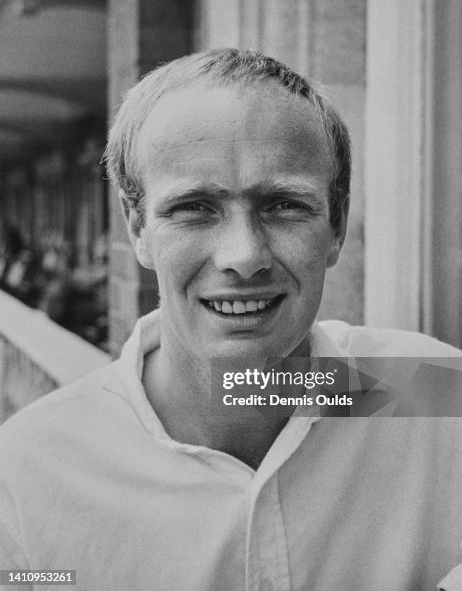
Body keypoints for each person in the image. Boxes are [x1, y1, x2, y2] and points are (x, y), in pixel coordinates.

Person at [0, 48, 461, 591]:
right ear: (137, 228)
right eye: (194, 207)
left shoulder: (432, 397)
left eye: (284, 205)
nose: (244, 255)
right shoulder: (28, 472)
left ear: (335, 226)